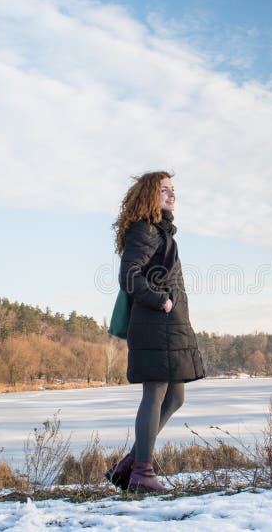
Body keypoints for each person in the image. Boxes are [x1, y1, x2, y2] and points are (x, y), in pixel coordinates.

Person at [106, 170, 206, 493]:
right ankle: (142, 474)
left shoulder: (161, 233)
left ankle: (130, 464)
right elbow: (129, 277)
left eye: (173, 190)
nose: (172, 195)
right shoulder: (144, 230)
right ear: (150, 196)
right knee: (156, 394)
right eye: (165, 190)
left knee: (176, 396)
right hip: (155, 326)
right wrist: (161, 300)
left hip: (170, 329)